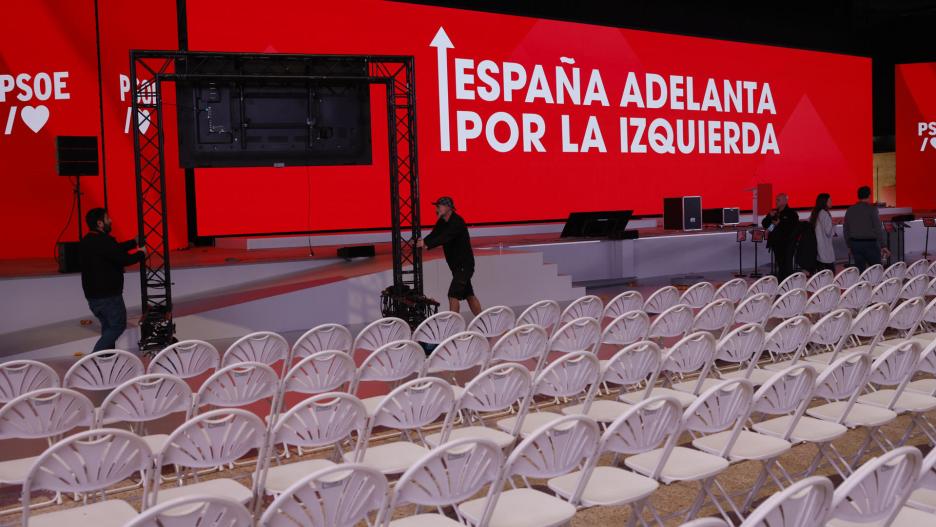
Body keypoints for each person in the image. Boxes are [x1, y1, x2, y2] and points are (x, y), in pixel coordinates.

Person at [80, 208, 145, 352]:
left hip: (93, 296)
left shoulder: (88, 240)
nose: (111, 221)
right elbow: (123, 259)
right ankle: (95, 358)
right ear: (100, 223)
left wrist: (133, 243)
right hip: (108, 296)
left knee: (108, 327)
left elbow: (114, 250)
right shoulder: (103, 241)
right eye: (107, 218)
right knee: (117, 326)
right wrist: (141, 254)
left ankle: (106, 358)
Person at [416, 197, 482, 316]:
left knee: (453, 295)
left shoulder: (457, 222)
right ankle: (485, 323)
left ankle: (454, 328)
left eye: (439, 206)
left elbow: (445, 237)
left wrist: (426, 243)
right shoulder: (442, 221)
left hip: (464, 266)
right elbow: (435, 234)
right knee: (469, 295)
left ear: (448, 208)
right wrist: (424, 242)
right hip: (456, 267)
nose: (436, 209)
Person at [844, 186, 889, 272]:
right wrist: (883, 245)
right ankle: (876, 285)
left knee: (860, 271)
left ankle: (861, 285)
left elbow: (846, 229)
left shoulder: (850, 210)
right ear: (869, 195)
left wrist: (849, 245)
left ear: (858, 196)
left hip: (855, 244)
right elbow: (878, 228)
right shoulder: (872, 209)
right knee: (876, 270)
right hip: (870, 244)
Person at [761, 193, 799, 280]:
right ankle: (781, 284)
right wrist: (769, 216)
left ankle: (787, 285)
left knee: (786, 265)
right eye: (776, 199)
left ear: (785, 201)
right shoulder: (775, 213)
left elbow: (792, 227)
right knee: (780, 265)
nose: (776, 202)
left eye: (778, 200)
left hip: (787, 244)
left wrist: (780, 223)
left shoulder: (791, 213)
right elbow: (765, 224)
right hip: (776, 243)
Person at [810, 193, 836, 273]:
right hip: (826, 251)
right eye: (830, 200)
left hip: (819, 251)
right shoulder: (825, 214)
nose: (832, 202)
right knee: (830, 275)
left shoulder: (815, 213)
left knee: (821, 276)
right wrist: (833, 225)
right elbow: (828, 232)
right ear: (825, 202)